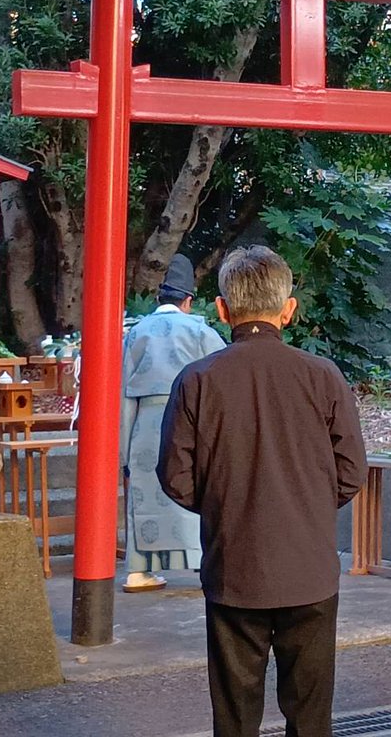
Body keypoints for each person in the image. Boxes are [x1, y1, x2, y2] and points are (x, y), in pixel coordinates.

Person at [157, 245, 367, 737]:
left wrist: (222, 504)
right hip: (309, 569)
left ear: (223, 309)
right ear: (288, 309)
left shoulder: (197, 380)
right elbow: (351, 471)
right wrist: (309, 505)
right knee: (311, 715)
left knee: (234, 714)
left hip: (234, 566)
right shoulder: (323, 377)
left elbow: (175, 474)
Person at [119, 253, 225, 593]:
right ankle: (202, 564)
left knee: (145, 491)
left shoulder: (136, 333)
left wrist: (122, 452)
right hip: (189, 416)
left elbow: (123, 394)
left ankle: (138, 571)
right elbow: (223, 375)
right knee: (196, 488)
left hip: (145, 421)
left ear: (159, 298)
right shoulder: (200, 331)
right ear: (188, 301)